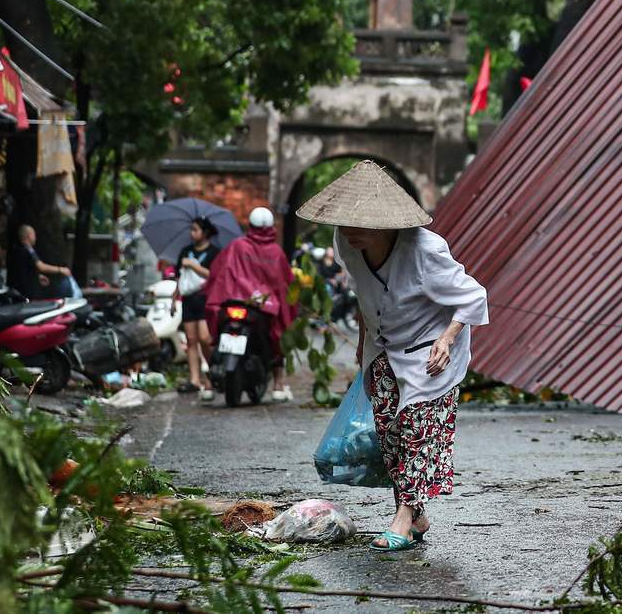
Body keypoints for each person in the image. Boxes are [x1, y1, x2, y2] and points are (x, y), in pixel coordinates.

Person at [295, 159, 488, 552]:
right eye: (343, 224)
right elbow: (364, 296)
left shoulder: (425, 251)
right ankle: (418, 517)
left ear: (384, 225)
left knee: (418, 433)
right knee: (390, 436)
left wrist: (447, 340)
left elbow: (473, 297)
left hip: (430, 351)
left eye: (358, 225)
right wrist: (364, 350)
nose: (349, 232)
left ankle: (402, 518)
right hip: (384, 348)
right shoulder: (346, 244)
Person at [203, 206, 296, 402]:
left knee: (215, 334)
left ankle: (208, 384)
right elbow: (284, 284)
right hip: (263, 306)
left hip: (233, 301)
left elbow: (219, 272)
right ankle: (278, 384)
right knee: (278, 334)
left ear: (250, 226)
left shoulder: (237, 245)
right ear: (272, 227)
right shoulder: (276, 252)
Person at [174, 217, 221, 399]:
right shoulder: (185, 251)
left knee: (205, 338)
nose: (192, 233)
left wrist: (194, 266)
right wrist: (174, 298)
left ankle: (211, 375)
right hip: (188, 299)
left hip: (205, 299)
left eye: (195, 230)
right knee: (191, 340)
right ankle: (194, 379)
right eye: (191, 230)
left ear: (205, 232)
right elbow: (180, 277)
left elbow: (214, 276)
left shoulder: (214, 253)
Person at [8, 224, 79, 299]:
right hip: (30, 292)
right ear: (29, 236)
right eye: (34, 234)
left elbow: (24, 271)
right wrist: (61, 270)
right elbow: (41, 267)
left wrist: (37, 276)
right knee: (64, 284)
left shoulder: (17, 250)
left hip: (22, 289)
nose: (35, 237)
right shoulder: (28, 250)